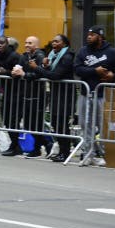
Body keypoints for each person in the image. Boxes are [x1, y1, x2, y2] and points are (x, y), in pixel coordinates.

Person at [73, 25, 115, 166]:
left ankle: (102, 153)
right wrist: (94, 71)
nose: (89, 36)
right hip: (86, 93)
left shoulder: (112, 52)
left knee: (103, 125)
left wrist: (113, 75)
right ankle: (88, 154)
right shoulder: (83, 51)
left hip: (104, 95)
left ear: (100, 36)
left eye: (92, 34)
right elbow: (77, 69)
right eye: (88, 34)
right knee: (85, 125)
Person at [29, 34, 76, 162]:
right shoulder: (53, 56)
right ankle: (62, 151)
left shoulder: (67, 57)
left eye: (57, 41)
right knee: (56, 123)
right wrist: (45, 66)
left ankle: (65, 152)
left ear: (64, 44)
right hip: (56, 94)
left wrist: (37, 68)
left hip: (65, 95)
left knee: (62, 124)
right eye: (53, 41)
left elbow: (55, 75)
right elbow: (51, 71)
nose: (54, 43)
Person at [11, 36, 47, 157]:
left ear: (36, 45)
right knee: (28, 123)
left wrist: (24, 74)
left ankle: (41, 147)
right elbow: (19, 67)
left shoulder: (40, 56)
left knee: (36, 122)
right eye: (25, 42)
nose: (26, 45)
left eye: (30, 43)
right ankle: (43, 146)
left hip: (38, 94)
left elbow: (40, 73)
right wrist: (15, 72)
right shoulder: (24, 56)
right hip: (26, 93)